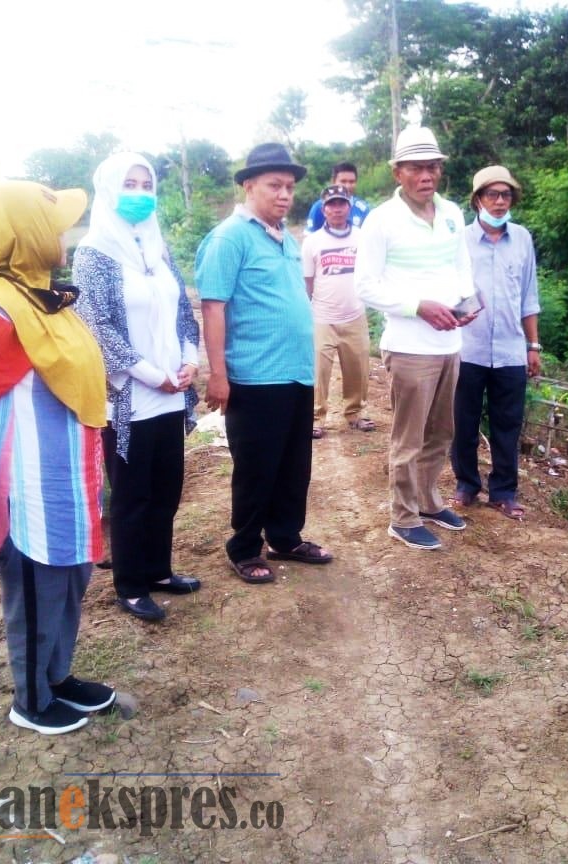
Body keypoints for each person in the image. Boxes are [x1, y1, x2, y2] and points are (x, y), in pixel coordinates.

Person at [0, 181, 115, 735]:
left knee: (69, 571)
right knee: (37, 578)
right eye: (52, 223)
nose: (63, 233)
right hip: (29, 479)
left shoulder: (37, 295)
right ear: (23, 234)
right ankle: (31, 698)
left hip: (65, 467)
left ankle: (57, 678)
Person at [194, 142, 333, 584]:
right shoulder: (228, 238)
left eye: (290, 187)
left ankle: (286, 538)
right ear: (248, 185)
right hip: (254, 376)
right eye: (275, 185)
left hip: (296, 372)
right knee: (257, 466)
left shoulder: (285, 238)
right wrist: (218, 374)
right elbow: (213, 309)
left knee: (294, 465)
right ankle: (245, 546)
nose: (284, 194)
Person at [74, 152, 202, 623]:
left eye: (146, 184)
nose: (140, 193)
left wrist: (189, 363)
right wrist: (153, 374)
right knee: (131, 495)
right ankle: (129, 584)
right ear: (108, 190)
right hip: (130, 397)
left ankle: (158, 570)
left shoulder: (158, 248)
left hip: (171, 392)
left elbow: (183, 312)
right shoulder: (94, 252)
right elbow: (94, 324)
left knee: (167, 488)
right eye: (129, 184)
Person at [355, 126, 477, 551]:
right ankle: (402, 518)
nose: (427, 176)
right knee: (408, 438)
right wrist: (418, 306)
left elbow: (461, 268)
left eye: (433, 167)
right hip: (409, 347)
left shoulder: (451, 214)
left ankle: (428, 501)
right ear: (398, 172)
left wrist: (468, 301)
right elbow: (366, 286)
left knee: (442, 432)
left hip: (450, 345)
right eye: (417, 168)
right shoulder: (380, 221)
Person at [451, 166, 541, 520]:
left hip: (509, 350)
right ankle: (466, 484)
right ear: (477, 200)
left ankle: (503, 491)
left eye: (506, 195)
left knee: (507, 425)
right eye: (493, 195)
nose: (500, 202)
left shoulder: (522, 239)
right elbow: (447, 289)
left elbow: (529, 297)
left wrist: (533, 346)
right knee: (464, 421)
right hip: (467, 347)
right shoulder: (458, 240)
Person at [301, 183, 375, 439]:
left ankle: (355, 413)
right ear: (324, 209)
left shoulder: (363, 238)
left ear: (349, 206)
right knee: (318, 371)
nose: (336, 209)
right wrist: (305, 316)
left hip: (355, 315)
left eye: (341, 203)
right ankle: (315, 417)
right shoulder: (312, 242)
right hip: (322, 317)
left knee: (358, 368)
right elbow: (307, 282)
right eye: (331, 204)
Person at [304, 162, 370, 233]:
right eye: (343, 181)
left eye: (352, 182)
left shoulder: (363, 209)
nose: (347, 186)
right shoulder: (319, 207)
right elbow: (310, 237)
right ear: (333, 182)